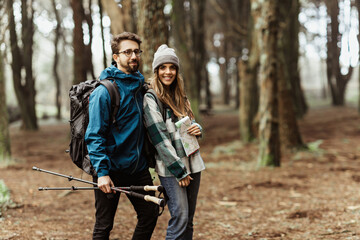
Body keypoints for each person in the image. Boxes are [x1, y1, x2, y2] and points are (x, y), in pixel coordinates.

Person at [85, 32, 158, 240]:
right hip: (111, 169)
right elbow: (94, 135)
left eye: (136, 51)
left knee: (149, 214)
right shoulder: (105, 91)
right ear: (116, 57)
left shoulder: (141, 88)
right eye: (127, 52)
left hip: (137, 167)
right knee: (104, 225)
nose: (133, 56)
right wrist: (102, 172)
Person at [143, 44, 205, 240]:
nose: (167, 72)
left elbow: (189, 123)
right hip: (171, 168)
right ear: (156, 70)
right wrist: (179, 170)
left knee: (189, 220)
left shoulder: (180, 95)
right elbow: (159, 138)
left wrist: (198, 128)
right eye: (163, 67)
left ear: (177, 70)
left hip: (193, 162)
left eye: (172, 67)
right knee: (180, 218)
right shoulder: (151, 98)